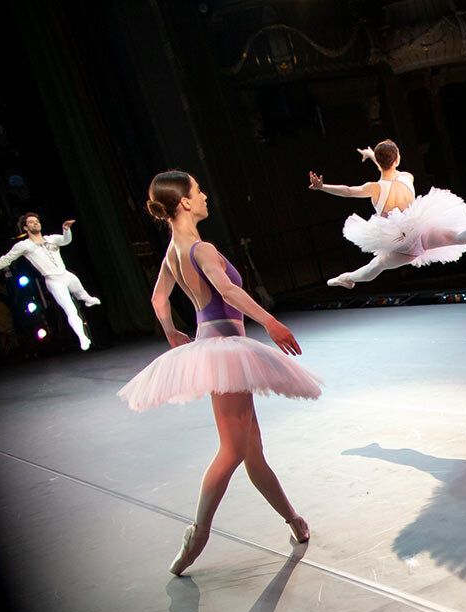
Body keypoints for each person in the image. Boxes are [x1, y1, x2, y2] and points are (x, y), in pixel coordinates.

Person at [117, 170, 323, 575]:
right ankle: (197, 536)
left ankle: (294, 521)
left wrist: (172, 332)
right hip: (226, 348)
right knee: (232, 451)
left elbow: (160, 299)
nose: (205, 194)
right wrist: (271, 323)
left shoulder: (174, 252)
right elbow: (228, 291)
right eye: (199, 190)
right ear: (186, 203)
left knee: (252, 452)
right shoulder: (200, 248)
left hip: (212, 344)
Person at [308, 140, 466, 288]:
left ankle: (347, 278)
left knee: (375, 267)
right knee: (458, 235)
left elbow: (348, 191)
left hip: (398, 243)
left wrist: (322, 186)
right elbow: (389, 168)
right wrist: (375, 157)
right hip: (421, 233)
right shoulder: (407, 176)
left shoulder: (374, 188)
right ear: (398, 159)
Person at [0, 213, 101, 351]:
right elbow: (5, 260)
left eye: (37, 221)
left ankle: (87, 299)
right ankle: (82, 338)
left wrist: (66, 230)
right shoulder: (25, 246)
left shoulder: (51, 239)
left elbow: (66, 241)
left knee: (82, 293)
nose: (35, 223)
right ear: (25, 228)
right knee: (70, 309)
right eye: (31, 222)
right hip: (53, 280)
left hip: (65, 274)